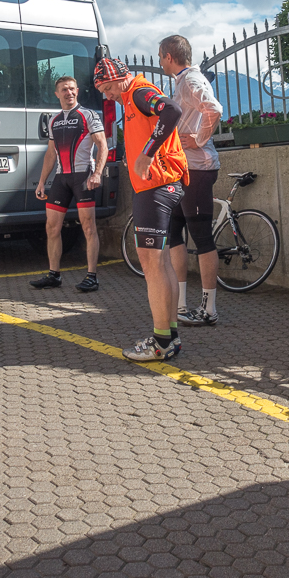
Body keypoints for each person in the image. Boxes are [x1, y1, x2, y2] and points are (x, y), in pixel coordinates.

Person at [92, 57, 188, 361]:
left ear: (119, 79)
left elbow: (172, 110)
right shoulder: (131, 99)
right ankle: (170, 336)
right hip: (165, 185)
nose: (107, 95)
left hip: (156, 186)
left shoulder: (137, 91)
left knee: (152, 266)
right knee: (163, 265)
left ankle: (160, 343)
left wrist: (147, 153)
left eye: (107, 88)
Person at [158, 35, 223, 327]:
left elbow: (215, 109)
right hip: (181, 168)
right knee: (174, 233)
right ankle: (180, 304)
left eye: (160, 57)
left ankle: (209, 310)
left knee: (201, 236)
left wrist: (198, 139)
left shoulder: (190, 81)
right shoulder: (183, 80)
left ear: (169, 56)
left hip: (198, 168)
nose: (159, 62)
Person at [29, 75, 108, 292]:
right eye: (64, 89)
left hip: (83, 177)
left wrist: (97, 174)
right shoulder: (54, 120)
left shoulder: (88, 115)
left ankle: (92, 276)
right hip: (61, 178)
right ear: (57, 94)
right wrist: (42, 182)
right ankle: (54, 275)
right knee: (51, 227)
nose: (69, 93)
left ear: (77, 91)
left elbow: (103, 146)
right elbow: (50, 154)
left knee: (88, 227)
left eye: (72, 89)